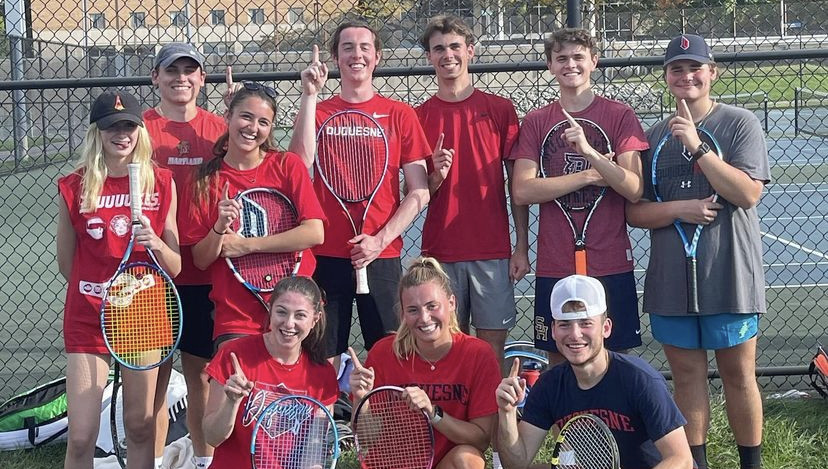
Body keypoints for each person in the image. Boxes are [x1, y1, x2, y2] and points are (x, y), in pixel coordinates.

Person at [626, 34, 769, 469]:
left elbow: (746, 194)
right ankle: (695, 463)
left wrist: (698, 147)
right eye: (677, 69)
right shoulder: (652, 134)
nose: (686, 76)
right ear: (667, 77)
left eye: (695, 67)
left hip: (729, 274)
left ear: (712, 72)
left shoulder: (740, 122)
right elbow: (636, 212)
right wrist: (680, 209)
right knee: (686, 377)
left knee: (739, 376)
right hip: (672, 277)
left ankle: (751, 463)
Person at [288, 22, 431, 362]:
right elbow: (299, 161)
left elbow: (419, 191)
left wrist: (378, 241)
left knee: (392, 353)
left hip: (381, 257)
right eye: (348, 47)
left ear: (377, 56)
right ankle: (326, 414)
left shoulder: (400, 114)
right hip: (325, 254)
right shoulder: (317, 111)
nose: (357, 54)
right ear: (336, 58)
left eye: (364, 47)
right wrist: (309, 95)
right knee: (320, 354)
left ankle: (384, 415)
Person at [57, 90, 181, 469]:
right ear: (98, 132)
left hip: (142, 316)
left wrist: (156, 242)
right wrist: (103, 291)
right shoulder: (73, 187)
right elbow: (68, 265)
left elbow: (174, 266)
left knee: (140, 427)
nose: (121, 134)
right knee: (80, 437)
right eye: (112, 127)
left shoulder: (161, 182)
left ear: (140, 131)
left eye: (129, 125)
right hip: (88, 314)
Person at [509, 28, 648, 366]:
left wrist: (589, 151)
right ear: (550, 66)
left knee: (615, 360)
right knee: (559, 359)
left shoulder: (619, 115)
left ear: (594, 62)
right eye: (562, 59)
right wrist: (588, 175)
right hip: (555, 261)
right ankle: (569, 422)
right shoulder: (537, 121)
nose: (570, 64)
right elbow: (523, 189)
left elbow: (633, 187)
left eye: (578, 57)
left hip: (610, 258)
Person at [415, 14, 530, 376]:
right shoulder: (418, 117)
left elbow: (519, 187)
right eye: (438, 49)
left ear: (470, 51)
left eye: (454, 47)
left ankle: (492, 428)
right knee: (446, 342)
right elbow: (415, 193)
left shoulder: (499, 109)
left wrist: (521, 245)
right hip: (441, 252)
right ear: (429, 58)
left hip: (492, 251)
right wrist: (435, 175)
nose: (447, 55)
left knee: (490, 345)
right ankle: (454, 427)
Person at [496, 275, 693, 469]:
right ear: (554, 331)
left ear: (605, 328)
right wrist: (506, 413)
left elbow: (680, 459)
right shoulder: (549, 385)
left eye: (585, 323)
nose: (575, 334)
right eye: (565, 324)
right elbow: (516, 463)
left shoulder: (640, 380)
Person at [183, 82, 325, 346]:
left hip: (295, 310)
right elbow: (201, 260)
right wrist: (219, 226)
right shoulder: (204, 179)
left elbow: (314, 232)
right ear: (228, 116)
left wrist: (246, 246)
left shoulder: (286, 165)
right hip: (236, 316)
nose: (252, 128)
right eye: (246, 117)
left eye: (263, 122)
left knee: (296, 388)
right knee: (235, 387)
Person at [144, 42, 228, 469]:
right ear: (155, 77)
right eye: (171, 69)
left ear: (202, 78)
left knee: (199, 375)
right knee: (154, 381)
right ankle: (155, 461)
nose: (181, 77)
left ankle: (201, 462)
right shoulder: (139, 129)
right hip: (152, 274)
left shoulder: (221, 129)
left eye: (189, 69)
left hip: (206, 272)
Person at [348, 257, 501, 468]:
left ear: (452, 303)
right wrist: (361, 399)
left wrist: (433, 413)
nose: (424, 318)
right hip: (391, 464)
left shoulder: (478, 354)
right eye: (413, 310)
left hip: (444, 463)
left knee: (468, 459)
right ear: (402, 314)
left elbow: (481, 439)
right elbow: (365, 440)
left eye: (432, 306)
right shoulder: (383, 352)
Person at [202, 276, 339, 468]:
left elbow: (312, 455)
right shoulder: (234, 355)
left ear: (315, 319)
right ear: (270, 311)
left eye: (300, 315)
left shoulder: (322, 374)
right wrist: (231, 403)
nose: (289, 323)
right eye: (281, 312)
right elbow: (212, 437)